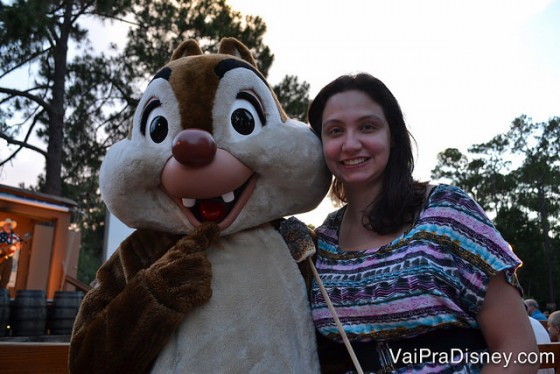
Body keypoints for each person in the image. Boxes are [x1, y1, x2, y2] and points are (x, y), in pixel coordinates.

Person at [307, 73, 538, 373]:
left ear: (393, 135)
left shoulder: (446, 211)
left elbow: (518, 349)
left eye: (367, 127)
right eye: (335, 131)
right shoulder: (323, 240)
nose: (350, 144)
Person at [0, 218, 21, 289]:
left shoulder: (15, 236)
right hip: (0, 257)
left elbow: (19, 247)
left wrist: (18, 245)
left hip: (9, 257)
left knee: (6, 277)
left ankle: (1, 293)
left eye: (9, 225)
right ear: (3, 226)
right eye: (6, 225)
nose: (8, 226)